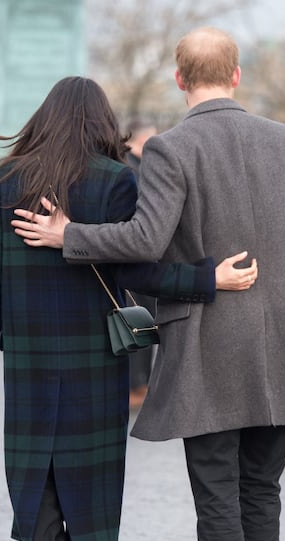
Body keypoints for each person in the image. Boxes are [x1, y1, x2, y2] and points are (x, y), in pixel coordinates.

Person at [11, 28, 285, 541]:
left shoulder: (172, 147)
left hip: (210, 346)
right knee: (262, 494)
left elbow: (145, 237)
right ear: (237, 75)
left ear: (181, 80)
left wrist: (68, 232)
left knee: (218, 498)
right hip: (280, 346)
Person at [0, 76, 258, 541]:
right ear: (99, 123)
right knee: (89, 494)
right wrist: (205, 280)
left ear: (44, 117)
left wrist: (5, 334)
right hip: (96, 358)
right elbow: (140, 269)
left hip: (32, 360)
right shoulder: (117, 181)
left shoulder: (7, 182)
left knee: (35, 482)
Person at [125, 120, 158, 409]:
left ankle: (140, 384)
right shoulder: (130, 171)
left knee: (141, 325)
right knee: (138, 325)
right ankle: (136, 386)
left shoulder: (132, 167)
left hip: (136, 261)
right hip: (135, 262)